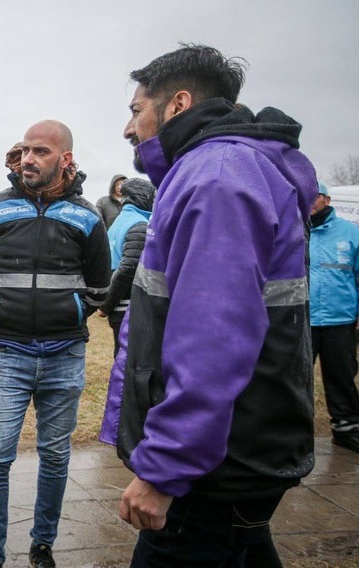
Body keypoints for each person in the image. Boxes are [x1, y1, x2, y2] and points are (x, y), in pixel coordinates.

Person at [100, 44, 317, 567]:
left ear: (176, 105)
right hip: (237, 450)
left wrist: (164, 468)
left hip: (214, 468)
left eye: (136, 110)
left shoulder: (217, 176)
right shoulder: (216, 169)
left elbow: (212, 339)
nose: (128, 129)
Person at [0, 120, 111, 568]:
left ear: (65, 159)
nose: (28, 158)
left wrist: (70, 312)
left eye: (41, 151)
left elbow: (99, 285)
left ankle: (42, 544)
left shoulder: (87, 215)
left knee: (54, 454)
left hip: (65, 354)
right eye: (25, 150)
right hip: (8, 353)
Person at [310, 181, 359, 453]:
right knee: (297, 379)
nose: (309, 201)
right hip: (301, 321)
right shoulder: (295, 230)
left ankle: (347, 427)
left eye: (314, 196)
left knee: (341, 376)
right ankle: (294, 431)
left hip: (340, 320)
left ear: (326, 200)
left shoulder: (350, 233)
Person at [96, 178, 156, 355]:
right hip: (128, 306)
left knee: (121, 353)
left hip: (118, 307)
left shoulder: (119, 222)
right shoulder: (139, 225)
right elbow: (127, 269)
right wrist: (106, 306)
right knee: (131, 359)